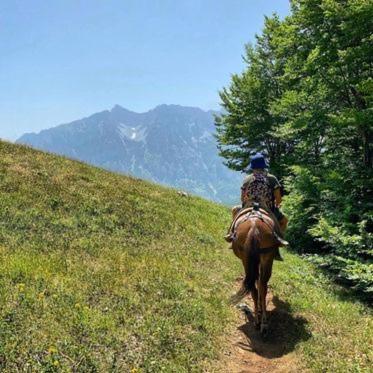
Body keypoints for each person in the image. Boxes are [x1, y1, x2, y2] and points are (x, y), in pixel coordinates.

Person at [225, 152, 288, 260]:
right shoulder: (272, 178)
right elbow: (278, 199)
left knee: (235, 210)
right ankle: (278, 243)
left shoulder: (247, 179)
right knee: (284, 220)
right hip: (266, 207)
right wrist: (276, 205)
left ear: (253, 167)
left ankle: (232, 235)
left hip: (249, 206)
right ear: (264, 166)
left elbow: (242, 197)